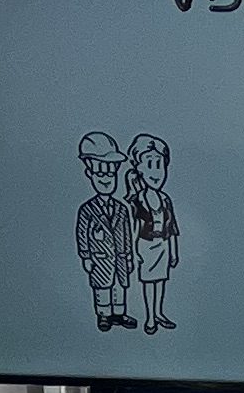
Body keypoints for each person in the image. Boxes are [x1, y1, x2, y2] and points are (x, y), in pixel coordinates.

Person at [74, 134, 132, 331]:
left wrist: (128, 256)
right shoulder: (87, 209)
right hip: (100, 258)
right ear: (90, 174)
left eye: (110, 174)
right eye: (100, 174)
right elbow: (82, 234)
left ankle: (119, 314)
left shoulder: (121, 209)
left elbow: (126, 234)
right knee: (102, 287)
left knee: (119, 287)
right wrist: (86, 256)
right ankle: (104, 315)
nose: (106, 179)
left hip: (120, 257)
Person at [126, 133, 179, 335]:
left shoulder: (165, 199)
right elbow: (135, 227)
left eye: (159, 165)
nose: (156, 171)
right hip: (146, 246)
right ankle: (149, 317)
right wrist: (133, 252)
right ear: (139, 169)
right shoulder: (139, 199)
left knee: (161, 281)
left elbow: (172, 228)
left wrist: (173, 252)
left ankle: (158, 313)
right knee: (148, 283)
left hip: (162, 246)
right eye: (150, 164)